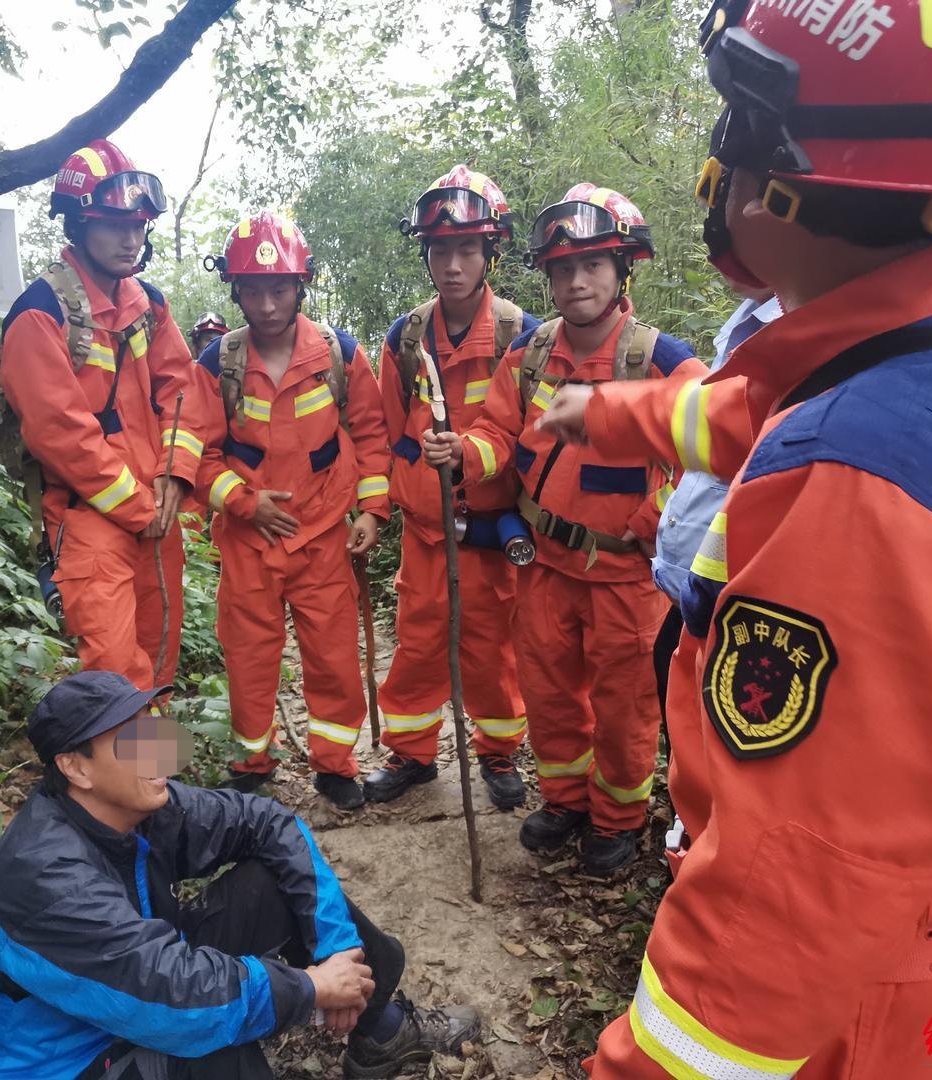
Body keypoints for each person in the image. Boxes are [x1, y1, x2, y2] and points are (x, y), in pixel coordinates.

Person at [533, 3, 932, 1074]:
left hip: (872, 1001)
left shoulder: (863, 484)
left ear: (787, 176)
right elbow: (741, 414)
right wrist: (604, 413)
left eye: (733, 117)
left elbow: (795, 898)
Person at [0, 670, 480, 1079]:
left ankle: (382, 1033)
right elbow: (174, 999)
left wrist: (334, 955)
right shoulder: (47, 876)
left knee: (270, 883)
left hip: (129, 990)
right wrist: (311, 988)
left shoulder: (141, 805)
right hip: (62, 1060)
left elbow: (271, 823)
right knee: (214, 1034)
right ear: (76, 767)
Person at [423, 183, 706, 875]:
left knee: (624, 707)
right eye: (563, 269)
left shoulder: (663, 360)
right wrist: (466, 451)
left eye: (593, 266)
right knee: (549, 694)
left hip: (625, 579)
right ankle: (564, 800)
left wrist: (652, 517)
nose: (577, 281)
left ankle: (616, 817)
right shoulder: (532, 354)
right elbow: (498, 429)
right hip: (545, 565)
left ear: (622, 272)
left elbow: (709, 462)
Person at [193, 211, 391, 810]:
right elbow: (197, 457)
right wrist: (246, 504)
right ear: (236, 291)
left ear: (300, 286)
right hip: (249, 543)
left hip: (325, 535)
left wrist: (372, 512)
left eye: (279, 288)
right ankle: (252, 763)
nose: (267, 302)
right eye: (252, 289)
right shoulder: (217, 364)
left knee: (332, 656)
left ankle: (335, 764)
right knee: (250, 657)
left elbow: (372, 436)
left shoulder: (338, 353)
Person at [363, 165, 540, 809]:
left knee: (493, 649)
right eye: (441, 250)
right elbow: (381, 437)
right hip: (427, 532)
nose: (453, 263)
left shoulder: (524, 336)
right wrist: (377, 509)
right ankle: (411, 755)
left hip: (493, 532)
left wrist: (472, 457)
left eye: (467, 248)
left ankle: (497, 755)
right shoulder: (406, 340)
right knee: (419, 641)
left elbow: (534, 438)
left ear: (490, 250)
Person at [0, 139, 202, 689]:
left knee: (159, 661)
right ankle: (120, 774)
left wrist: (175, 475)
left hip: (155, 511)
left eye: (139, 225)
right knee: (114, 669)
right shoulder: (40, 314)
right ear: (78, 225)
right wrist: (141, 508)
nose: (131, 239)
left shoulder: (149, 304)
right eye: (114, 225)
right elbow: (61, 434)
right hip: (92, 518)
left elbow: (182, 395)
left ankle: (151, 776)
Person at [650, 284, 781, 716]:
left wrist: (604, 413)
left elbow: (728, 430)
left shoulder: (808, 333)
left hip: (745, 611)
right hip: (693, 596)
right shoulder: (746, 322)